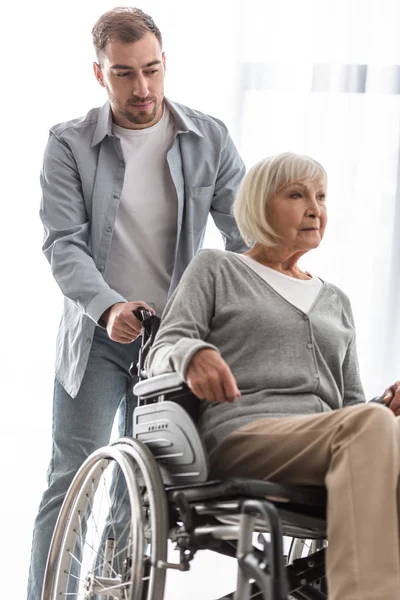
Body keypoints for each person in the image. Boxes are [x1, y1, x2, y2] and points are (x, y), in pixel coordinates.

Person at [27, 6, 247, 599]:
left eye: (151, 69)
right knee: (71, 478)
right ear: (99, 74)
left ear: (165, 63)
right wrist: (109, 308)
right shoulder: (68, 144)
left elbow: (245, 235)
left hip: (171, 343)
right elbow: (63, 245)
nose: (142, 88)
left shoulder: (209, 138)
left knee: (141, 488)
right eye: (124, 74)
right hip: (97, 335)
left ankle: (110, 594)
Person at [146, 151, 400, 600]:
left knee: (379, 423)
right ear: (262, 205)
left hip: (327, 443)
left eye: (321, 196)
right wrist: (192, 355)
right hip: (244, 436)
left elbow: (352, 408)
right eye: (297, 195)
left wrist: (385, 409)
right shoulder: (218, 269)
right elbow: (163, 348)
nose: (315, 208)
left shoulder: (335, 300)